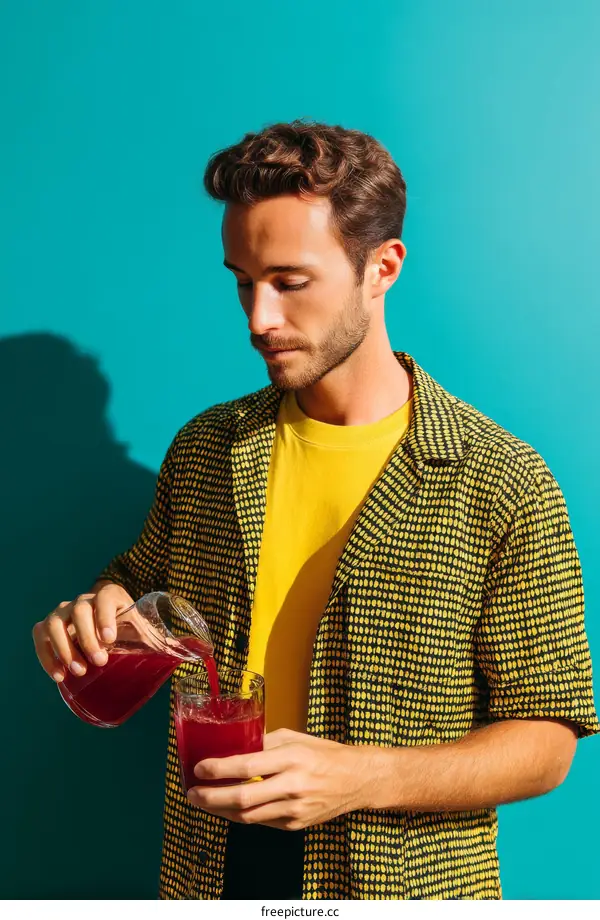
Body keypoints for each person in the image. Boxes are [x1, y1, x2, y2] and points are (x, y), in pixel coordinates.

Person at [33, 119, 600, 901]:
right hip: (207, 872)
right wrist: (95, 615)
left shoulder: (501, 480)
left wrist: (365, 777)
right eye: (242, 281)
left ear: (382, 268)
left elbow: (548, 740)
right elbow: (139, 583)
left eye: (290, 282)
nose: (258, 319)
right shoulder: (207, 449)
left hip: (395, 886)